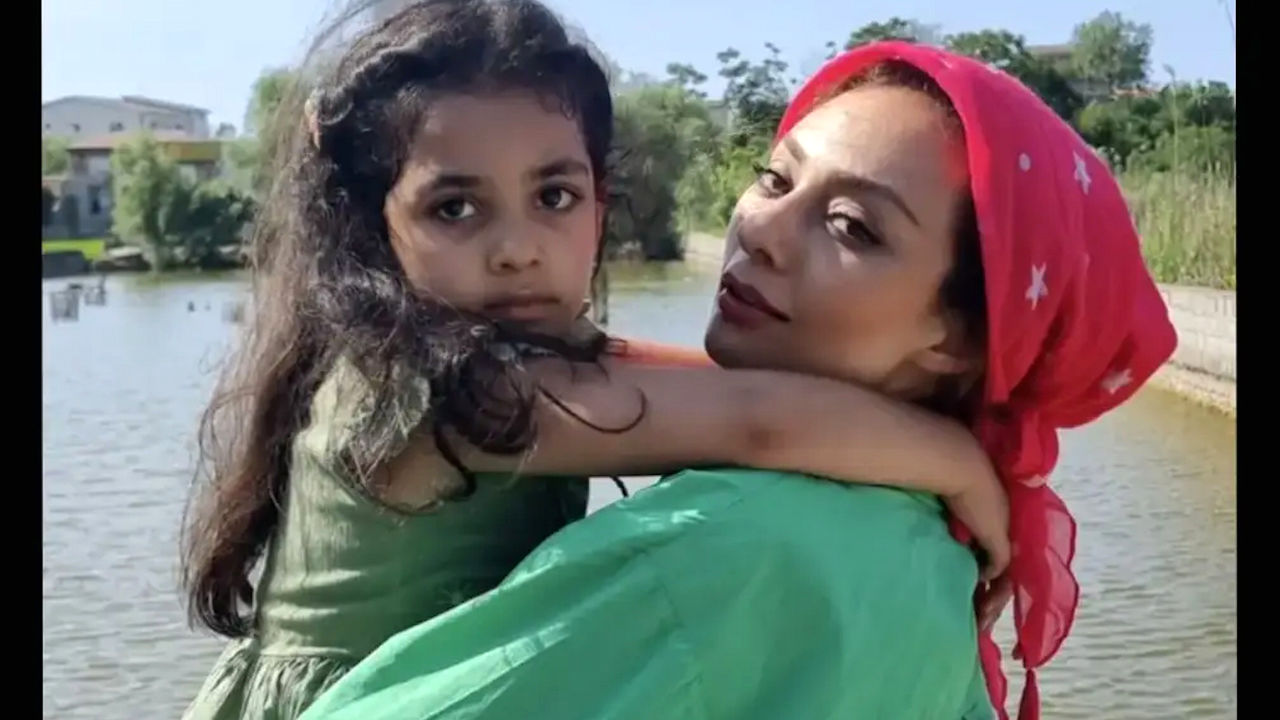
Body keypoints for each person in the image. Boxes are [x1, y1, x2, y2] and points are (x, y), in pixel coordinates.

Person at [298, 42, 1177, 720]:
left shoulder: (728, 551)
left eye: (850, 225)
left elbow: (735, 408)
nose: (761, 230)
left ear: (959, 339)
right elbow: (747, 414)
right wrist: (952, 458)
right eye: (774, 179)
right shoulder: (924, 546)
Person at [179, 6, 1011, 718]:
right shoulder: (445, 390)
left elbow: (717, 389)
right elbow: (757, 422)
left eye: (554, 197)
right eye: (455, 208)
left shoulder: (509, 351)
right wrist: (959, 463)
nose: (517, 248)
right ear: (373, 225)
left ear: (600, 203)